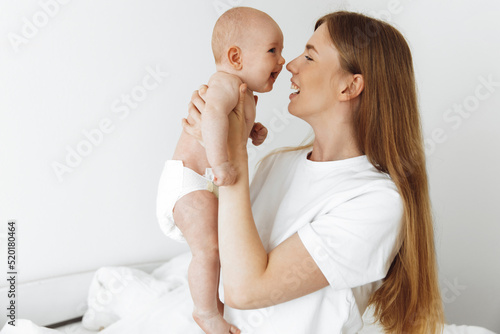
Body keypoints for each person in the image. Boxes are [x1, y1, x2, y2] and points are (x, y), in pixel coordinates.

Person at [183, 11, 445, 334]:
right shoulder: (275, 165)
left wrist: (234, 156)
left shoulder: (377, 203)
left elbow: (243, 291)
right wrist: (203, 144)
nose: (289, 65)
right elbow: (220, 259)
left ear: (350, 86)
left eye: (309, 56)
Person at [156, 7, 285, 334]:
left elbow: (232, 129)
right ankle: (205, 312)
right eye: (273, 50)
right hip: (189, 180)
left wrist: (253, 132)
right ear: (236, 57)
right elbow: (212, 118)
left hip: (205, 183)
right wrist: (221, 163)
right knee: (208, 249)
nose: (282, 61)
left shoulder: (245, 94)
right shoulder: (225, 84)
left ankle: (214, 304)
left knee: (218, 248)